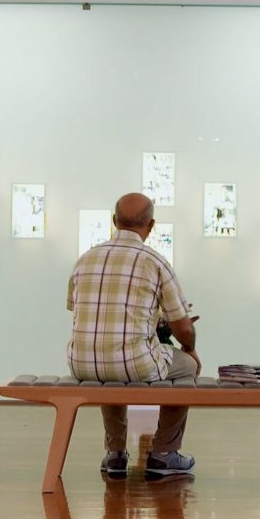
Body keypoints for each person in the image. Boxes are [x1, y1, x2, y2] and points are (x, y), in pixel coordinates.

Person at [67, 192, 200, 476]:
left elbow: (79, 311)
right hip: (135, 362)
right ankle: (164, 453)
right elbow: (183, 327)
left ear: (114, 221)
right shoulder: (155, 262)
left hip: (81, 363)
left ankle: (115, 454)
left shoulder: (85, 259)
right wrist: (189, 349)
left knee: (109, 363)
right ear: (151, 226)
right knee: (187, 367)